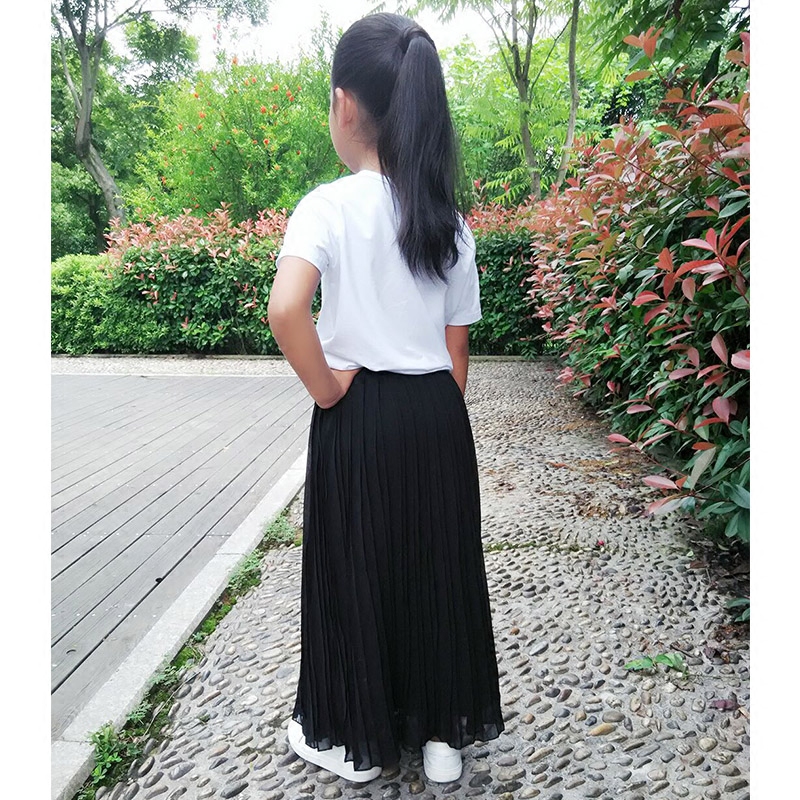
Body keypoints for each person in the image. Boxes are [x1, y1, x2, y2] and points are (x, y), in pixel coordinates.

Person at [267, 11, 504, 786]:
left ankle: (354, 745)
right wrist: (433, 421)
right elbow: (456, 347)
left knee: (356, 570)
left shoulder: (328, 206)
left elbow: (286, 309)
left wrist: (328, 389)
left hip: (357, 413)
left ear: (344, 104)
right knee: (434, 567)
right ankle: (441, 740)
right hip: (436, 412)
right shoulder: (447, 220)